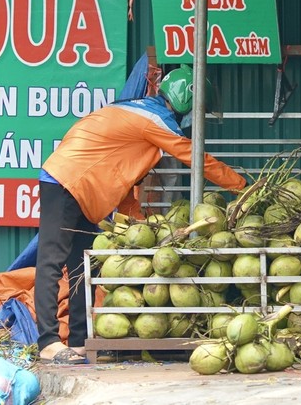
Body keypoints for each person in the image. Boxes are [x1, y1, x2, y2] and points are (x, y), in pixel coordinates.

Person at [34, 66, 246, 364]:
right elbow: (197, 158)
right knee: (51, 260)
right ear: (186, 102)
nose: (194, 120)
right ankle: (48, 342)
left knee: (82, 264)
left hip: (82, 185)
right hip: (67, 181)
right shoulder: (155, 120)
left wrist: (136, 225)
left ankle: (81, 340)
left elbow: (124, 175)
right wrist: (243, 187)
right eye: (198, 111)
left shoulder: (140, 110)